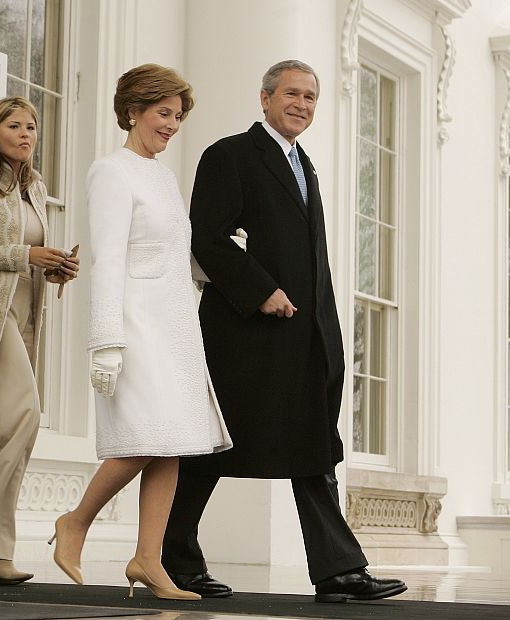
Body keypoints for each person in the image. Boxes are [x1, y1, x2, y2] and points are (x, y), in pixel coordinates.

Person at [161, 60, 408, 603]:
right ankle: (172, 557)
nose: (302, 104)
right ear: (265, 98)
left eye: (311, 98)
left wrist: (329, 330)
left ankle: (338, 570)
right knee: (211, 448)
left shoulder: (306, 165)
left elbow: (310, 259)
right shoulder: (229, 155)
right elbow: (208, 238)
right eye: (292, 94)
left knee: (314, 448)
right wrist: (260, 291)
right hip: (244, 334)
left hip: (305, 334)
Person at [49, 63, 232, 601]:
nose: (172, 125)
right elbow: (108, 260)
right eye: (163, 113)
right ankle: (75, 522)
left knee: (171, 444)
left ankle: (147, 558)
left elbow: (172, 255)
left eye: (178, 116)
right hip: (136, 325)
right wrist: (105, 340)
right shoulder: (111, 170)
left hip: (176, 324)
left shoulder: (164, 177)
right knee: (144, 440)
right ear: (133, 111)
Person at [0, 97, 79, 585]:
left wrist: (57, 265)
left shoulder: (35, 188)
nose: (27, 134)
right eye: (15, 125)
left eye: (32, 127)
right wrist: (27, 253)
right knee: (25, 415)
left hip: (25, 314)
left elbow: (31, 256)